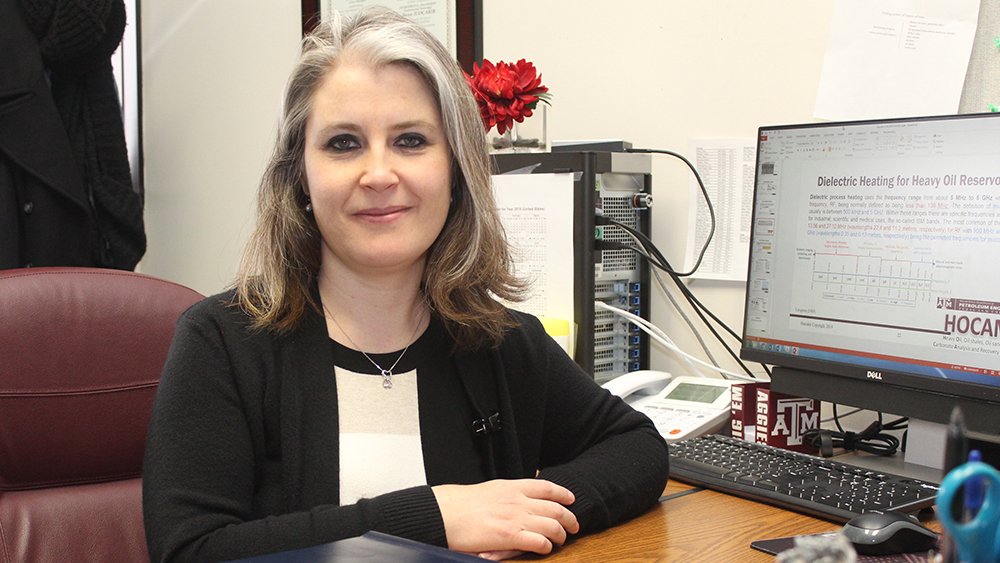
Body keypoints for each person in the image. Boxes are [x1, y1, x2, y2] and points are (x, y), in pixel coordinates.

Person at [141, 7, 669, 563]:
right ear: (300, 172)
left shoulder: (498, 339)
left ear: (457, 168)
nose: (378, 174)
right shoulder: (221, 342)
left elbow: (637, 449)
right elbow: (190, 550)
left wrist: (527, 518)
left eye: (411, 141)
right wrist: (435, 519)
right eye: (343, 143)